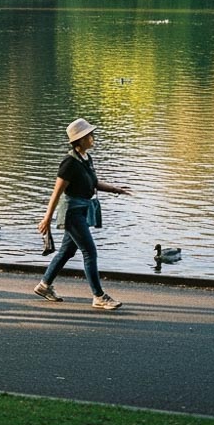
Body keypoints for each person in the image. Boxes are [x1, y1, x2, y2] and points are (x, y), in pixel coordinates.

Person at [35, 118, 132, 311]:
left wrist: (116, 189)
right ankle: (99, 296)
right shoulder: (69, 163)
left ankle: (44, 286)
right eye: (89, 135)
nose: (92, 137)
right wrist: (47, 218)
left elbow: (94, 183)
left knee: (67, 251)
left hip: (83, 210)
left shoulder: (86, 158)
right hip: (72, 213)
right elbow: (57, 193)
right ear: (79, 139)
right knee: (89, 251)